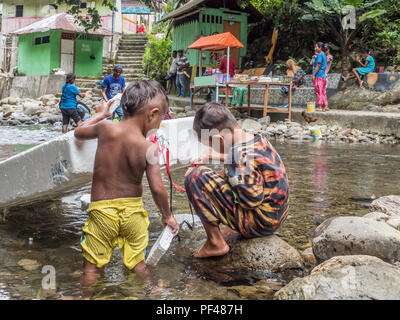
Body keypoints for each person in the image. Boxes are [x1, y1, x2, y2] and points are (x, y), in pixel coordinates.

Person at [73, 80, 180, 298]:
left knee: (92, 268)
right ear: (152, 114)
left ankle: (85, 296)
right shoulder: (149, 147)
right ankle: (151, 291)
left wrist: (102, 114)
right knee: (138, 265)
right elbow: (158, 188)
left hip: (102, 213)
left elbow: (79, 132)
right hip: (133, 214)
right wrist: (167, 216)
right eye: (163, 117)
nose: (161, 122)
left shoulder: (106, 129)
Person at [184, 102, 290, 258]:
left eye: (210, 145)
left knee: (194, 176)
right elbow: (248, 165)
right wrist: (225, 171)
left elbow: (251, 201)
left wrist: (226, 178)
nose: (212, 149)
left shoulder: (236, 155)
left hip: (261, 223)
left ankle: (215, 243)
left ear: (218, 139)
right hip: (277, 216)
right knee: (215, 177)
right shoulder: (256, 138)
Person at [312, 42, 329, 112]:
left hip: (319, 76)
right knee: (323, 91)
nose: (315, 48)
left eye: (316, 47)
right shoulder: (324, 55)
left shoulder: (319, 55)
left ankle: (320, 106)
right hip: (323, 76)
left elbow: (318, 65)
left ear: (320, 48)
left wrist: (313, 75)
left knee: (319, 91)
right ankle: (325, 106)